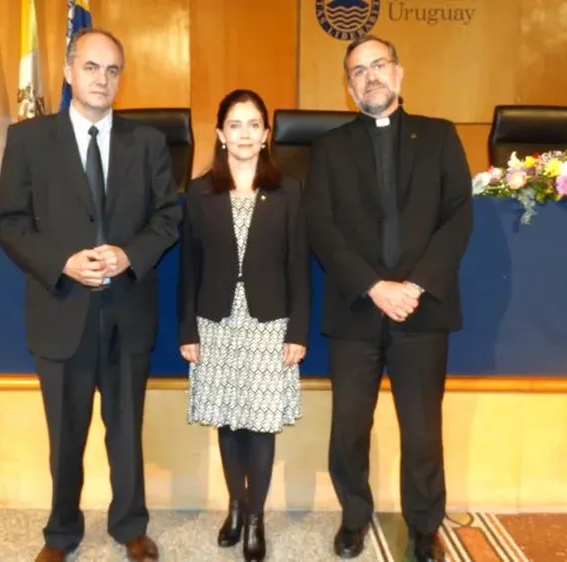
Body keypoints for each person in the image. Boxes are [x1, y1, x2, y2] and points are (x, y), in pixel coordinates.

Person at [0, 27, 180, 562]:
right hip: (61, 311)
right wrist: (62, 263)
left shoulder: (147, 143)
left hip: (127, 312)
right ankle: (61, 534)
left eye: (113, 70)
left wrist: (129, 255)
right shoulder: (30, 140)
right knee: (65, 436)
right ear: (70, 73)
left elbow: (168, 217)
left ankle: (129, 527)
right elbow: (8, 223)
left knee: (125, 432)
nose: (102, 79)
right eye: (92, 67)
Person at [302, 34, 473, 562]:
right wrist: (376, 287)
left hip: (423, 311)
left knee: (423, 431)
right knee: (349, 428)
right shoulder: (329, 148)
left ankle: (424, 526)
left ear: (398, 74)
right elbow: (321, 227)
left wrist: (413, 286)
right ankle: (355, 517)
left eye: (379, 66)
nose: (370, 76)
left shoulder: (441, 137)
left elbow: (458, 218)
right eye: (358, 70)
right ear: (349, 85)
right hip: (357, 309)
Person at [177, 89, 311, 562]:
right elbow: (188, 267)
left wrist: (298, 332)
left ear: (267, 134)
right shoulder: (198, 191)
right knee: (229, 422)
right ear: (219, 134)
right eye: (235, 125)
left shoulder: (289, 190)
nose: (245, 134)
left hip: (269, 323)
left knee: (261, 425)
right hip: (215, 321)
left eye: (254, 124)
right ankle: (235, 506)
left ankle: (255, 519)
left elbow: (299, 266)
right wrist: (186, 331)